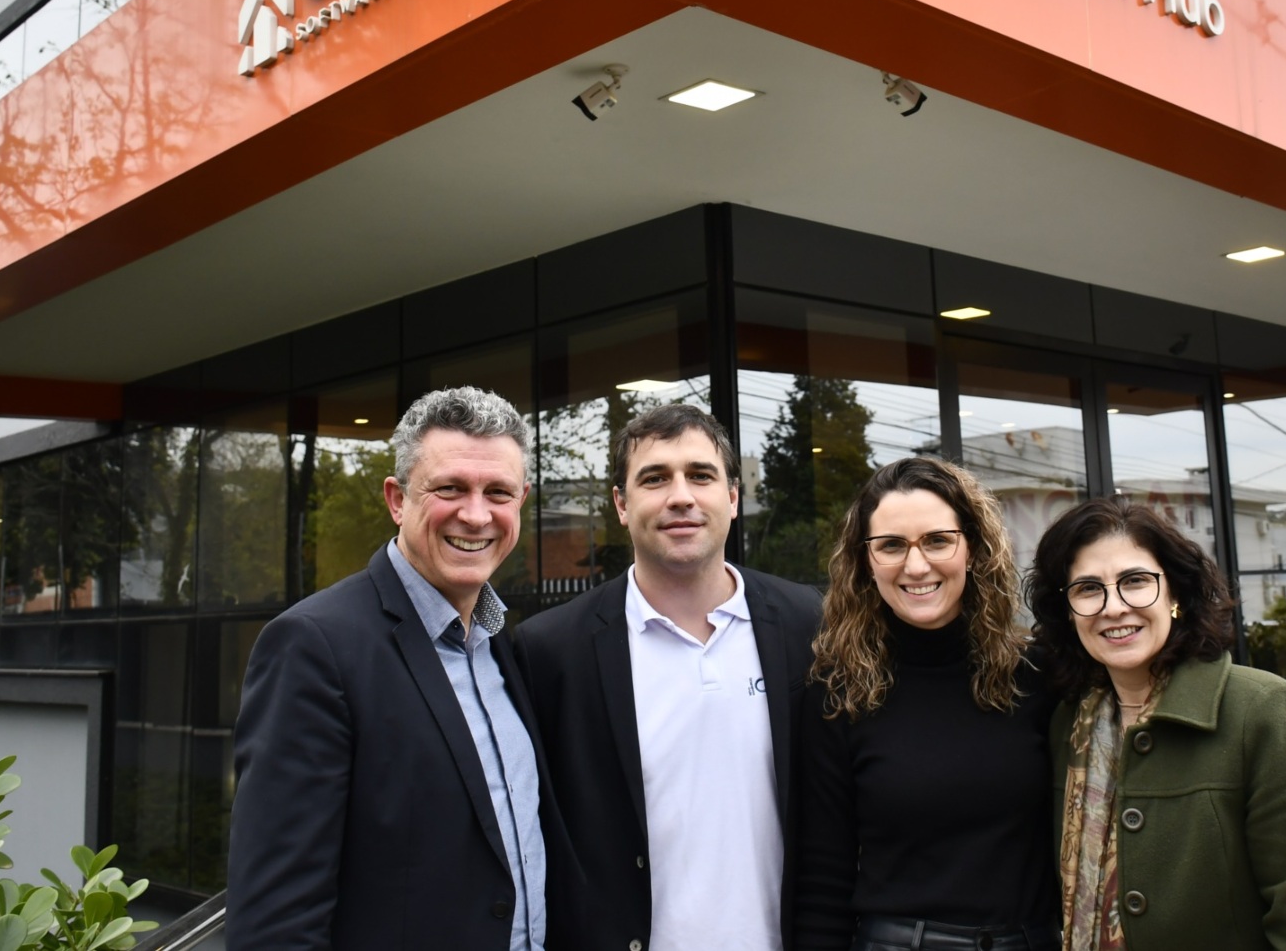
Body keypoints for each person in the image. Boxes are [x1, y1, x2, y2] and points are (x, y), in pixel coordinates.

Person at [227, 386, 567, 951]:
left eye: (498, 492)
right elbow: (275, 921)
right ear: (397, 499)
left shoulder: (503, 646)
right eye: (450, 488)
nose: (476, 514)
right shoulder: (313, 647)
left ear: (521, 501)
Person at [515, 403, 823, 951]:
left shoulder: (808, 624)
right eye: (655, 478)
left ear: (733, 497)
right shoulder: (550, 651)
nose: (680, 496)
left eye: (700, 475)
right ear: (621, 504)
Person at [1026, 497, 1286, 951]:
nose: (1113, 607)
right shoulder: (1068, 723)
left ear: (1176, 594)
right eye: (1087, 589)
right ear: (1068, 611)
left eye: (1135, 581)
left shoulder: (1261, 711)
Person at [796, 457, 1060, 951]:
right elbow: (823, 876)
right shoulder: (839, 693)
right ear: (865, 561)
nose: (916, 566)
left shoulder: (1038, 674)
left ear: (973, 550)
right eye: (891, 545)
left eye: (937, 541)